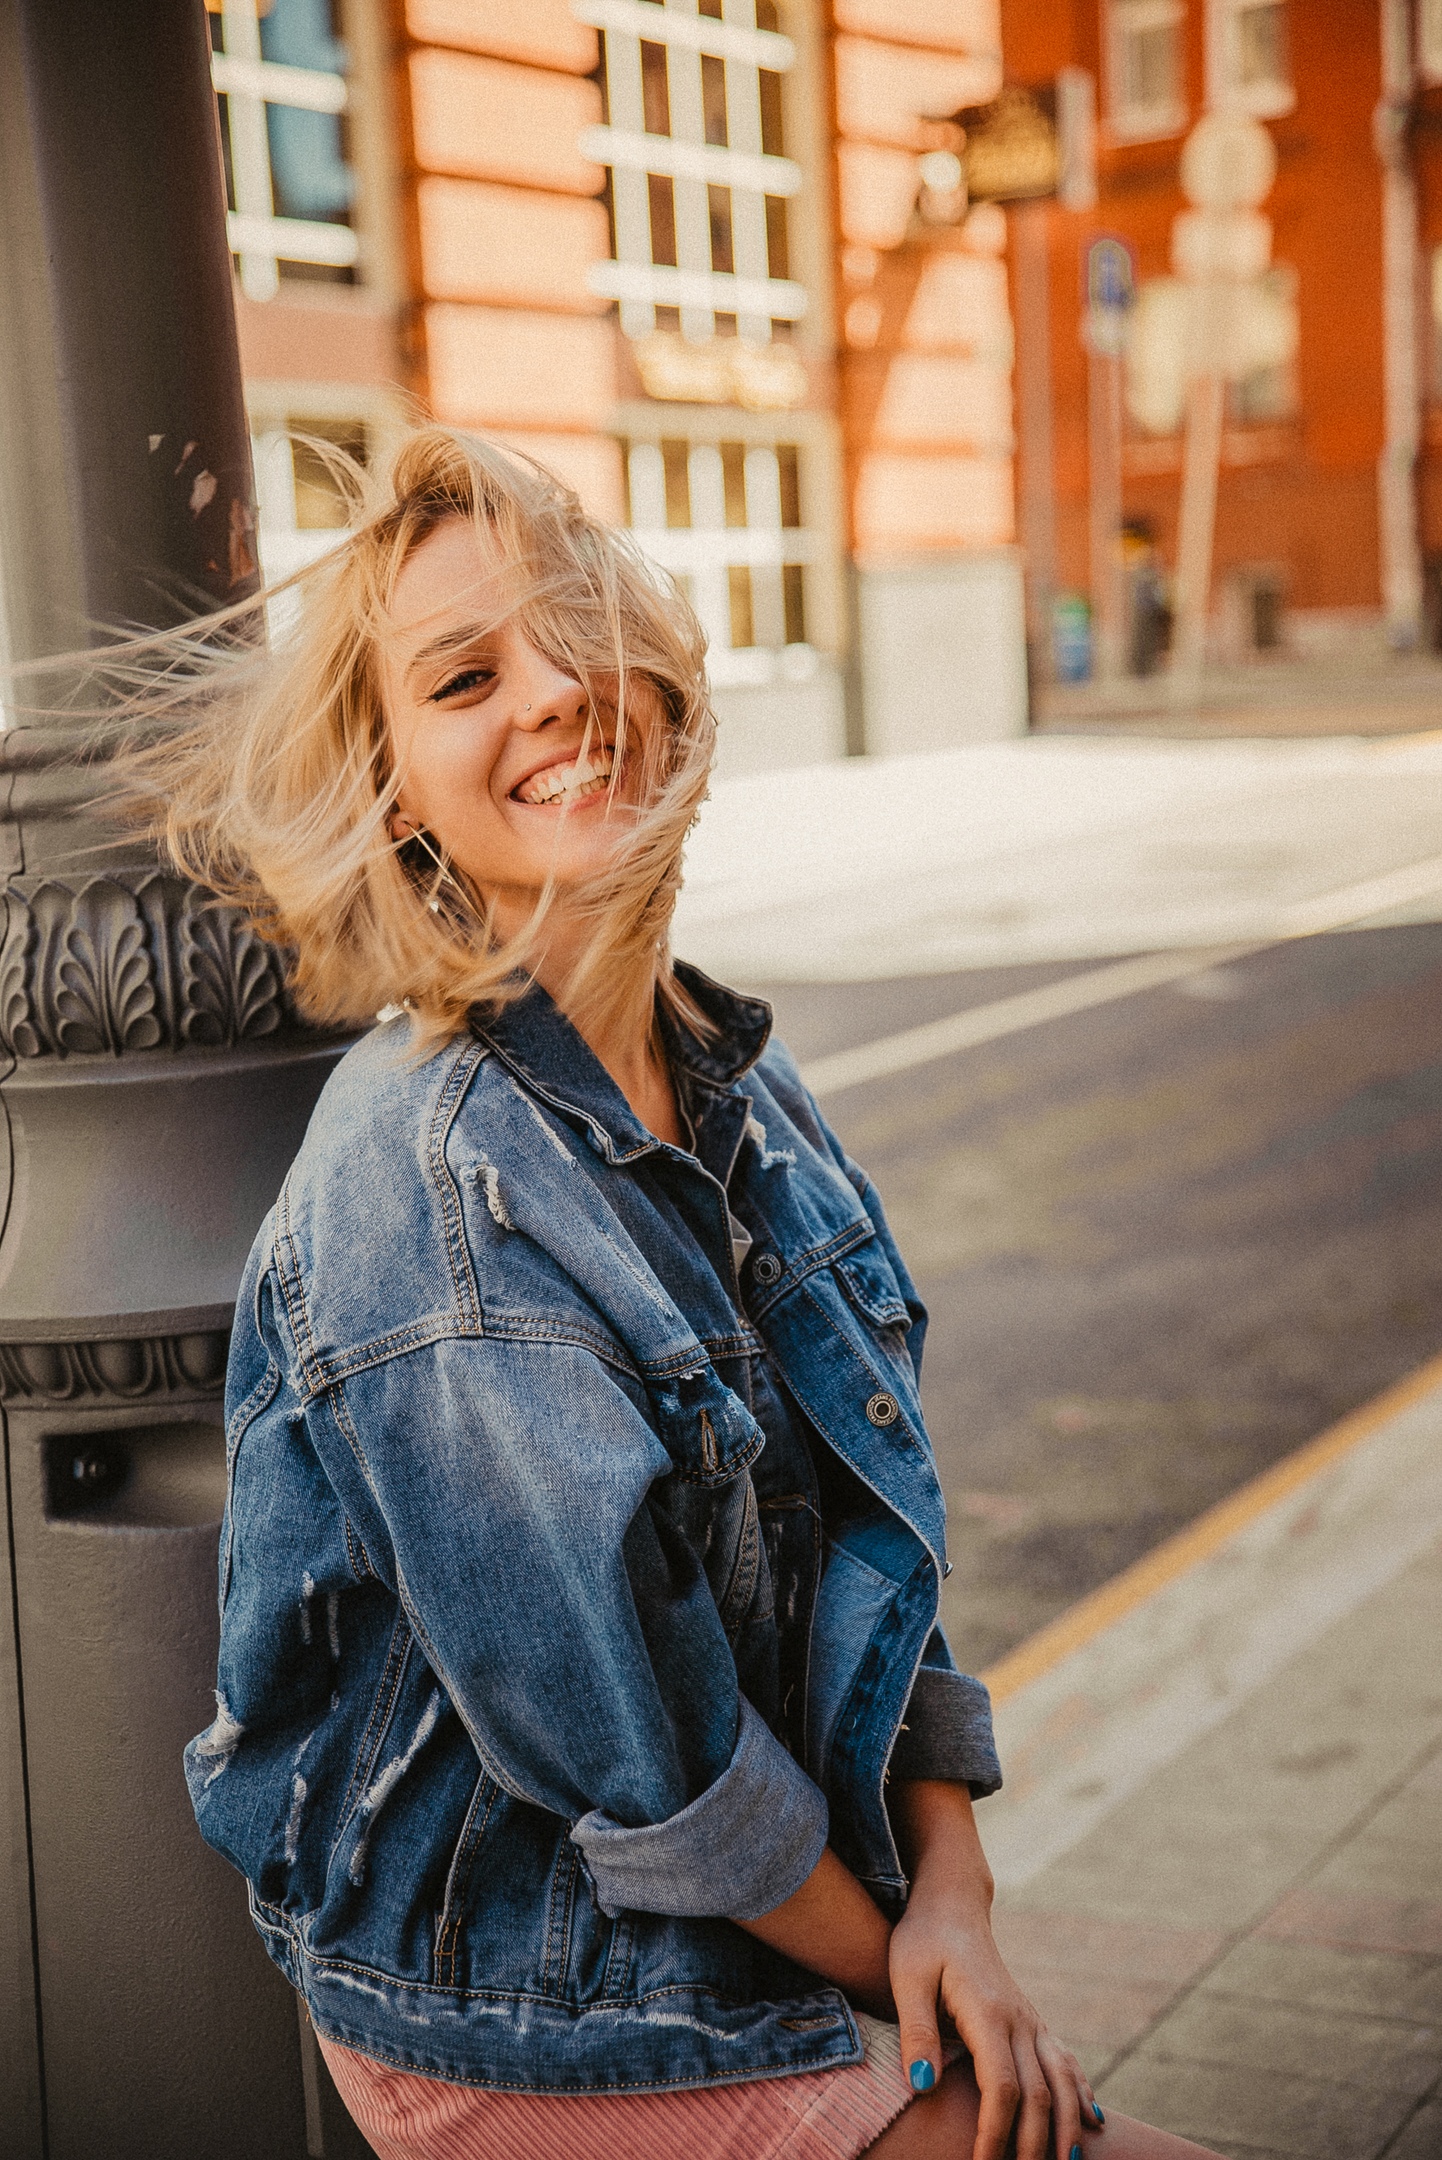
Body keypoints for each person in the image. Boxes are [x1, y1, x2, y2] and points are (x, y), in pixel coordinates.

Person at [150, 430, 1219, 2160]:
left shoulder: (741, 1087)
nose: (560, 693)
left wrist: (957, 1892)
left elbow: (877, 1536)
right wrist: (915, 1975)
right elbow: (642, 1769)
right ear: (392, 783)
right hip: (523, 1996)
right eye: (468, 673)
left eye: (584, 631)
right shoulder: (432, 1195)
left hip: (769, 1910)